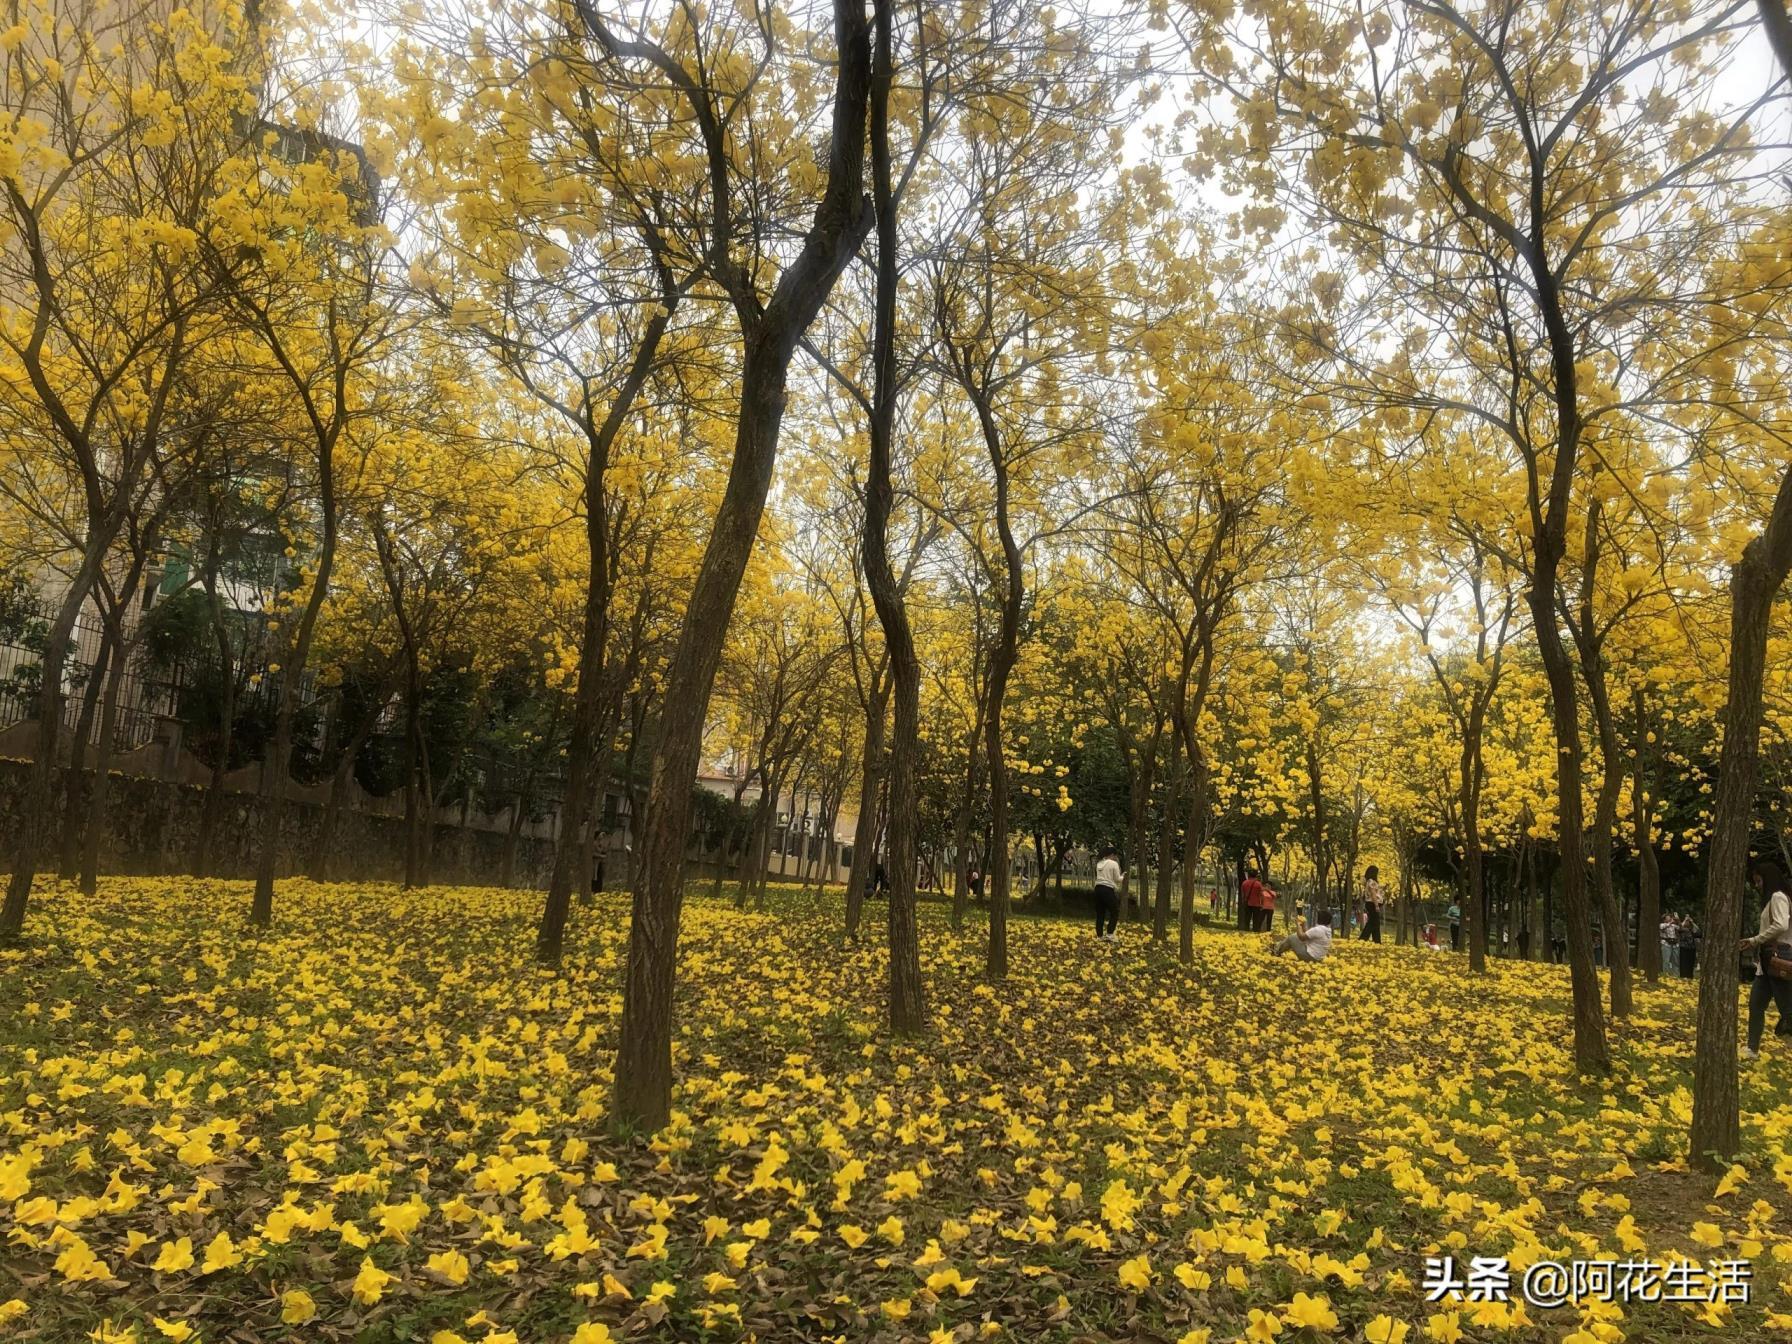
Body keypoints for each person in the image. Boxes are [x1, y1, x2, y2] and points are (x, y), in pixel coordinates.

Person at [1742, 860, 1792, 1060]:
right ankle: (1752, 1049)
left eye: (1759, 881)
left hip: (1777, 958)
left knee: (1788, 1011)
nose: (1757, 886)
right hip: (1767, 962)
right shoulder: (1777, 898)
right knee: (1756, 1004)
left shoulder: (1778, 897)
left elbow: (1780, 925)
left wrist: (1756, 940)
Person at [1093, 846, 1123, 942]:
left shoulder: (1099, 863)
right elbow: (1117, 879)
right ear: (1112, 855)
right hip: (1107, 889)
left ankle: (1099, 936)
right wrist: (1123, 876)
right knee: (1115, 911)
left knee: (1100, 913)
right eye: (1115, 856)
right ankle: (1110, 934)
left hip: (1098, 889)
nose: (1115, 858)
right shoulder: (1113, 863)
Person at [1360, 865, 1384, 943]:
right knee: (1372, 922)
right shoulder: (1371, 881)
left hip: (1372, 903)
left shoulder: (1370, 881)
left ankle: (1377, 941)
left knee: (1375, 923)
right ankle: (1363, 939)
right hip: (1372, 903)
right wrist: (1376, 905)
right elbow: (1373, 894)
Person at [1241, 868, 1267, 932]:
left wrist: (1243, 902)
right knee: (1256, 919)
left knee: (1247, 919)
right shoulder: (1258, 884)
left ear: (1249, 875)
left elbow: (1242, 894)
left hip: (1247, 903)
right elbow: (1261, 895)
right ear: (1256, 875)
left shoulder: (1244, 883)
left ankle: (1246, 930)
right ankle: (1255, 930)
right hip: (1256, 904)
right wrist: (1262, 904)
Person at [1678, 915, 1698, 979]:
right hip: (1684, 947)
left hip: (1692, 947)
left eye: (1688, 922)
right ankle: (1683, 975)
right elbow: (1680, 928)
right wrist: (1685, 920)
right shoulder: (1682, 929)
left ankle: (1690, 975)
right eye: (1687, 922)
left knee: (1691, 962)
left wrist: (1692, 922)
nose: (1687, 923)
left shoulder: (1692, 929)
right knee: (1684, 962)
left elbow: (1697, 930)